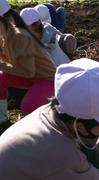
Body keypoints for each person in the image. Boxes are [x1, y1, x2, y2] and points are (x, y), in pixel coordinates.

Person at [0, 0, 56, 131]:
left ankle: (45, 129)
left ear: (6, 20)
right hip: (32, 78)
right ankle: (2, 121)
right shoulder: (5, 37)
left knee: (28, 106)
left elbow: (28, 71)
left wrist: (2, 65)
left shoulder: (20, 37)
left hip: (47, 80)